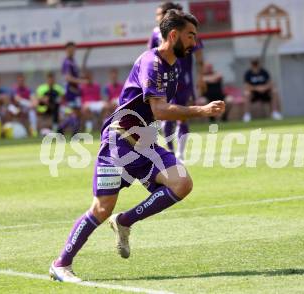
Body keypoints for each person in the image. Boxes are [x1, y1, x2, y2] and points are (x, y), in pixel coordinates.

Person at [49, 9, 225, 283]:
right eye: (191, 36)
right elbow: (161, 109)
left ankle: (125, 221)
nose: (194, 42)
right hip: (119, 142)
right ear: (174, 34)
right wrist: (201, 111)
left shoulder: (173, 67)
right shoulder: (151, 62)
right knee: (101, 208)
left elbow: (159, 111)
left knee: (182, 183)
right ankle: (61, 264)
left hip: (144, 142)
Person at [149, 1, 205, 162]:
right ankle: (171, 152)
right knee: (166, 115)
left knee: (182, 115)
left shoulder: (185, 30)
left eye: (159, 14)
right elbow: (150, 55)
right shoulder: (155, 33)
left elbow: (199, 54)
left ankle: (180, 153)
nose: (157, 17)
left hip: (183, 80)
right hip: (164, 79)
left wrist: (200, 77)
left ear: (167, 14)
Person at [58, 41, 87, 135]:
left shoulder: (73, 61)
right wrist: (81, 81)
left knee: (78, 113)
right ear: (66, 50)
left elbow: (74, 75)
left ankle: (64, 129)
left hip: (75, 91)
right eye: (71, 49)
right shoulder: (67, 62)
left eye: (74, 49)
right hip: (71, 90)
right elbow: (68, 78)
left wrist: (80, 77)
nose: (73, 51)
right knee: (76, 112)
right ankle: (64, 129)